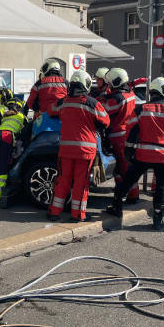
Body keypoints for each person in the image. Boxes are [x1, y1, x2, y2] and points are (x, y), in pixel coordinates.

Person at [107, 77, 164, 230]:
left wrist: (129, 151)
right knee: (161, 186)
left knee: (129, 180)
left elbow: (131, 130)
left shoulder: (141, 109)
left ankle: (117, 206)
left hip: (142, 154)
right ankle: (158, 218)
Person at [47, 70, 110, 222]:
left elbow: (51, 110)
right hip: (85, 151)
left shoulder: (63, 102)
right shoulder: (92, 103)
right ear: (86, 85)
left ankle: (54, 212)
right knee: (81, 184)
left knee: (63, 180)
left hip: (66, 150)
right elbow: (106, 121)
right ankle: (78, 215)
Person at [102, 68, 139, 204]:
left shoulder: (117, 98)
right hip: (128, 135)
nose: (109, 86)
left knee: (123, 167)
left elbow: (104, 110)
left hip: (118, 137)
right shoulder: (130, 94)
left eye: (110, 83)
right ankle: (124, 192)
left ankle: (130, 195)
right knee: (121, 167)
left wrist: (100, 99)